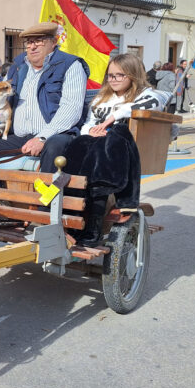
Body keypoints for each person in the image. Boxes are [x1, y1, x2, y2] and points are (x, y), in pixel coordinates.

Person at [65, 53, 168, 246]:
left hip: (123, 149)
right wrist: (92, 132)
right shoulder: (101, 98)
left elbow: (157, 102)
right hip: (97, 148)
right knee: (78, 144)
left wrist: (113, 118)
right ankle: (71, 220)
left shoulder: (147, 94)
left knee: (116, 133)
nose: (113, 80)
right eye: (110, 75)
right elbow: (88, 123)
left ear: (133, 75)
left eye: (119, 75)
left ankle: (93, 228)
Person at [0, 22, 89, 180]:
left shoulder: (71, 65)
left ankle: (45, 204)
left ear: (54, 42)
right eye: (30, 42)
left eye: (39, 41)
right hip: (20, 137)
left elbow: (71, 109)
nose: (32, 47)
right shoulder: (18, 66)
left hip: (56, 135)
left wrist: (42, 138)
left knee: (54, 146)